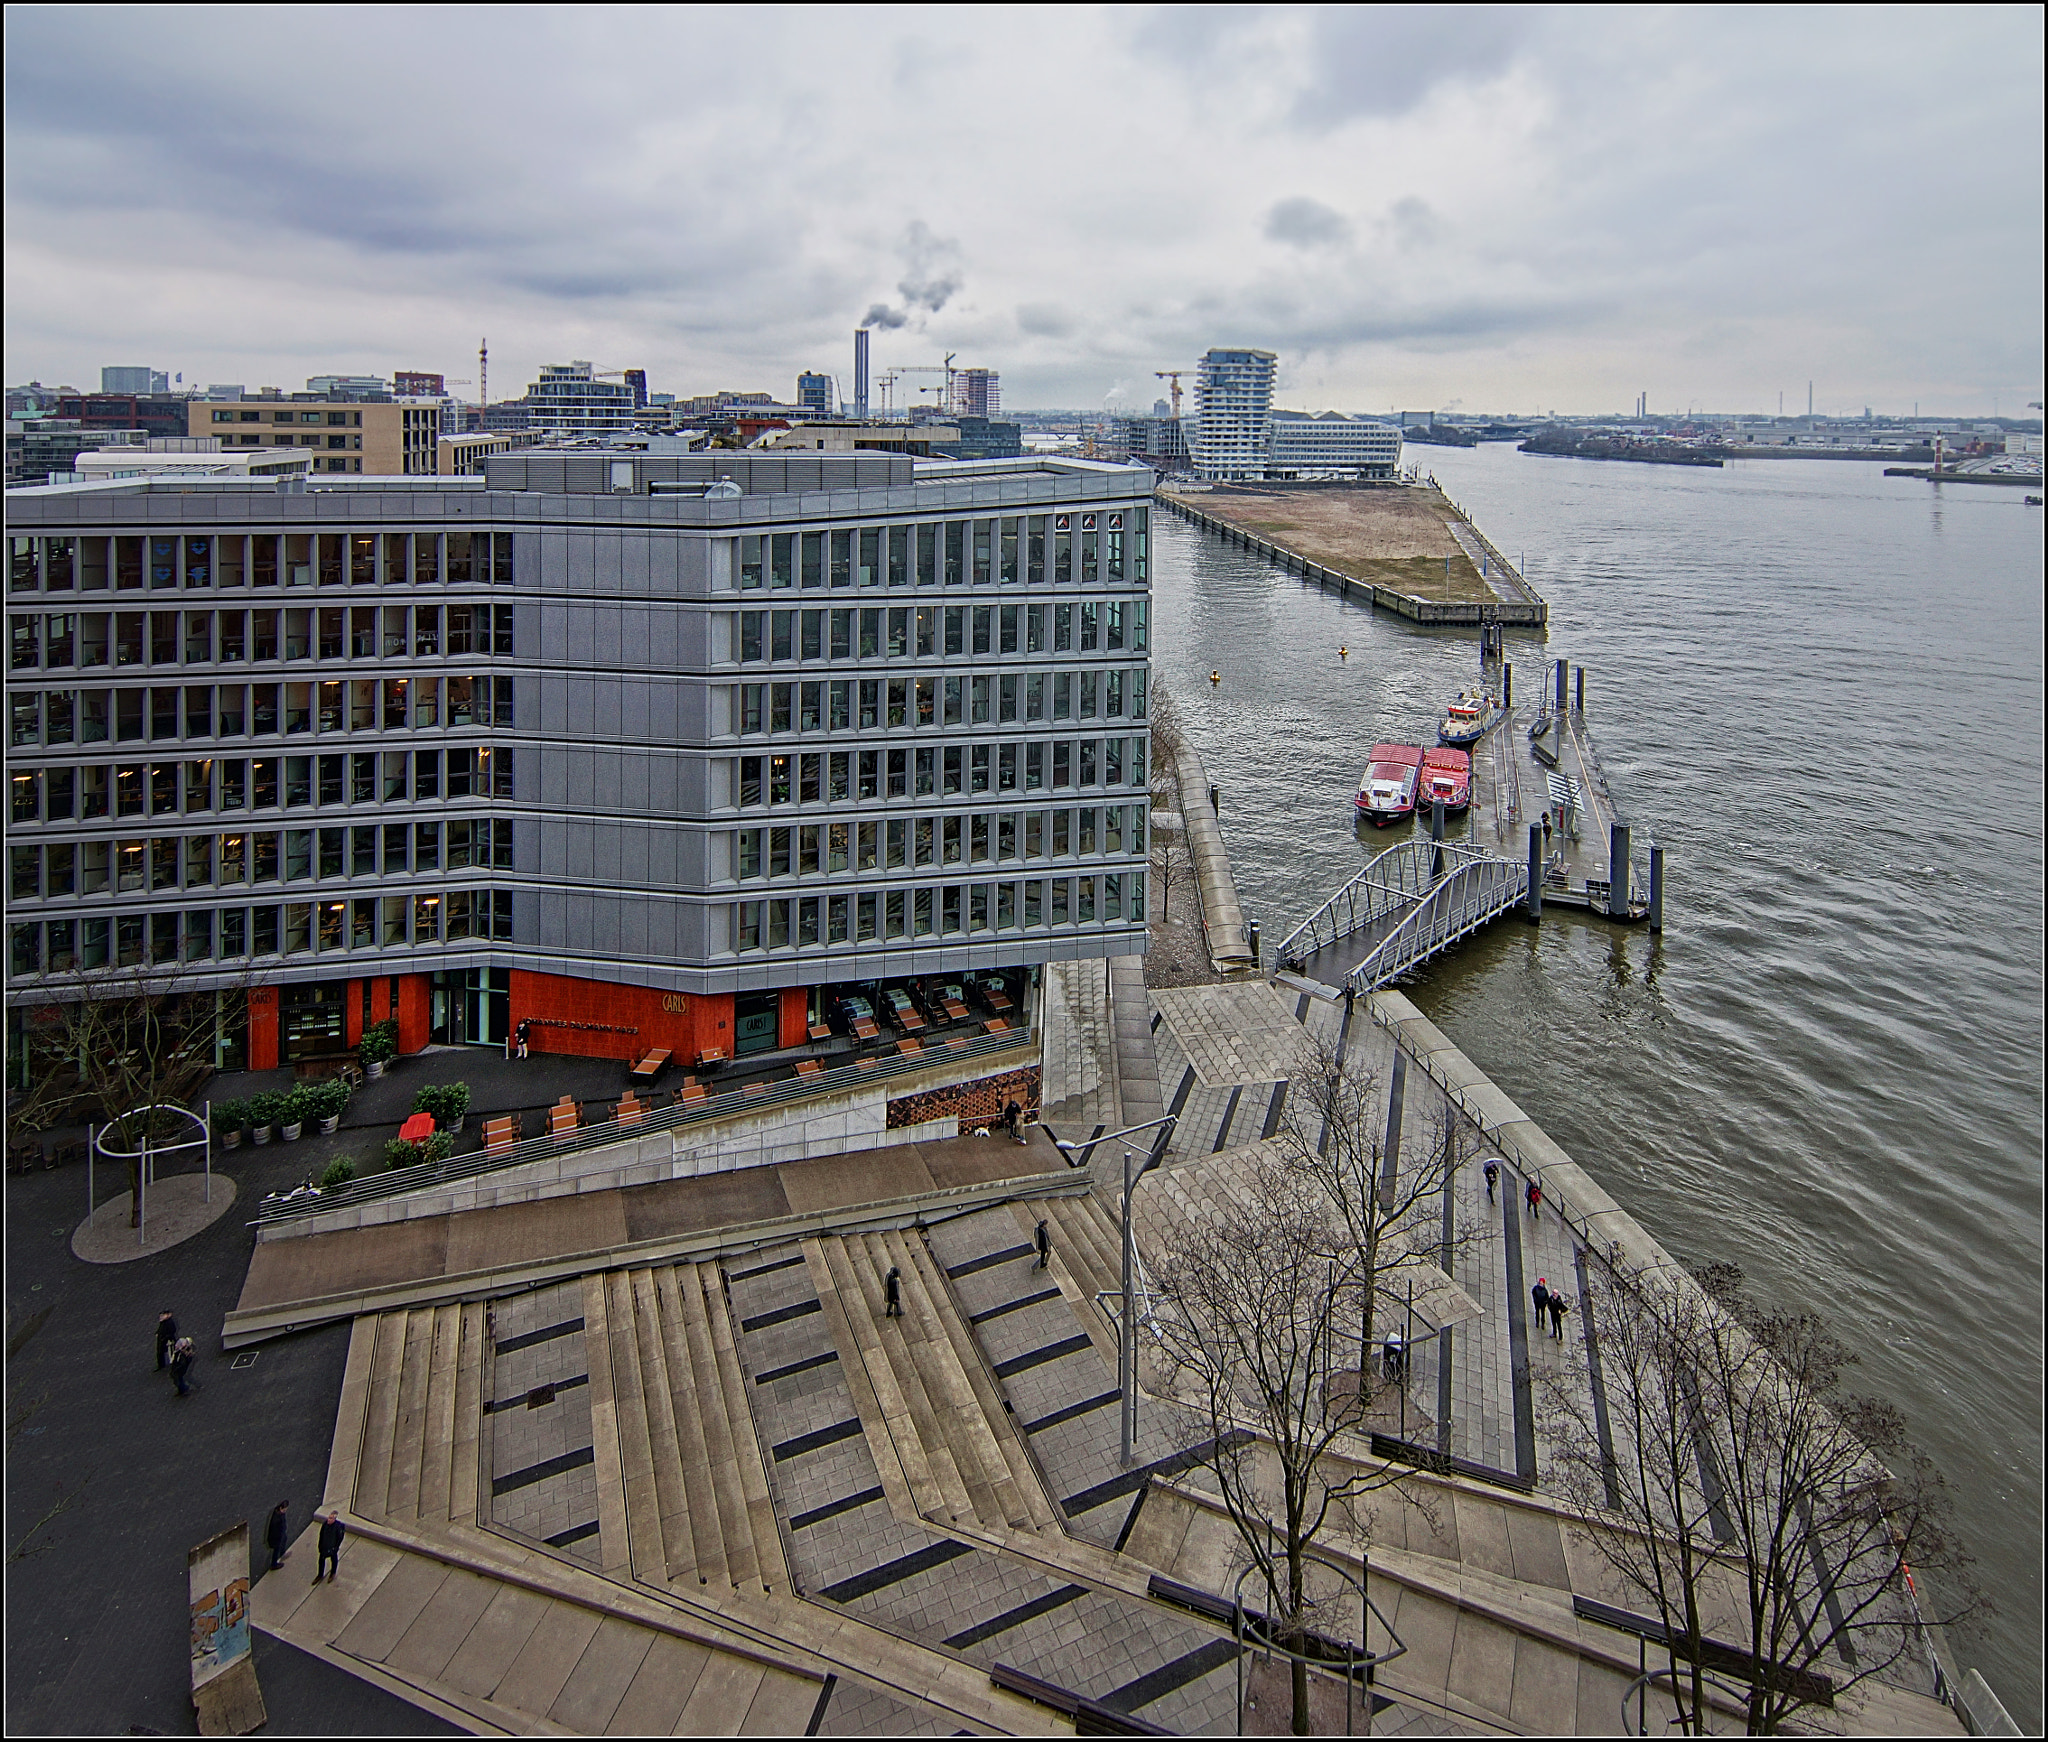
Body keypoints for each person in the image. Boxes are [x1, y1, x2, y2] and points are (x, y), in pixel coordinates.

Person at [315, 1511, 346, 1582]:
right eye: (329, 1517)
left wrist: (336, 1547)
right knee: (321, 1561)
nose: (329, 1519)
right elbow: (321, 1535)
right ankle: (320, 1575)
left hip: (332, 1548)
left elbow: (340, 1538)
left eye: (331, 1518)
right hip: (324, 1547)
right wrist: (320, 1545)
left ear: (334, 1519)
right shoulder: (325, 1524)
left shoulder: (338, 1527)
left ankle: (333, 1573)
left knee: (334, 1560)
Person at [266, 1501, 291, 1570]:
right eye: (284, 1510)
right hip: (277, 1538)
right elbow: (275, 1530)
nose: (285, 1511)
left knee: (284, 1540)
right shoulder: (277, 1518)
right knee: (276, 1550)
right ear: (280, 1508)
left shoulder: (279, 1513)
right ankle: (274, 1564)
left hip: (280, 1535)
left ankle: (282, 1552)